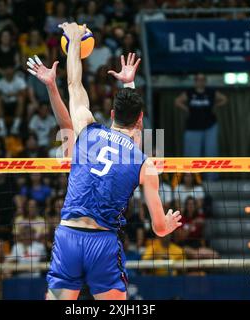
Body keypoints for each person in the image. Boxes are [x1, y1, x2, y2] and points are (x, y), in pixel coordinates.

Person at [28, 22, 181, 300]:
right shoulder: (144, 163)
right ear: (141, 119)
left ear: (111, 113)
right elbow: (159, 228)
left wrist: (74, 41)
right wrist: (168, 225)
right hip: (103, 244)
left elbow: (74, 84)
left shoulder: (87, 129)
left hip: (69, 237)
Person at [174, 73, 228, 180]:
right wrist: (186, 109)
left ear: (205, 81)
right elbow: (177, 101)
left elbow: (224, 99)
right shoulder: (190, 93)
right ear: (195, 81)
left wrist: (215, 106)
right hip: (193, 128)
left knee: (211, 154)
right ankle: (193, 180)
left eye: (203, 79)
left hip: (210, 127)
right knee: (192, 155)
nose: (200, 81)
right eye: (198, 79)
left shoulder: (211, 92)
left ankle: (211, 179)